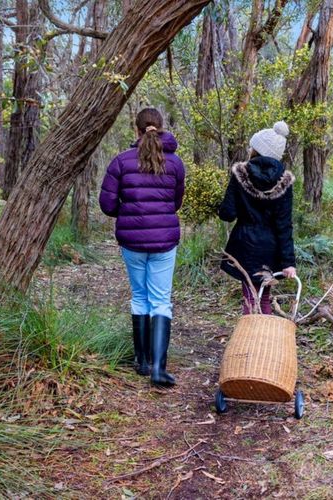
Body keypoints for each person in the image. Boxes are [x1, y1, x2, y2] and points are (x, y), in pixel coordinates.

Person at [99, 108, 185, 387]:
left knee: (140, 297)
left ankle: (142, 362)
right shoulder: (175, 163)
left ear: (136, 130)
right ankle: (159, 368)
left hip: (132, 241)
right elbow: (175, 202)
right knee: (161, 299)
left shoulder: (121, 162)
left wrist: (130, 213)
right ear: (161, 127)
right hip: (164, 241)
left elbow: (107, 205)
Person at [218, 121, 296, 314]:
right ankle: (264, 342)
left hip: (244, 245)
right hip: (271, 248)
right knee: (264, 298)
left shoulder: (240, 174)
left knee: (249, 298)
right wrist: (288, 262)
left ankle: (250, 341)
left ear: (257, 149)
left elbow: (228, 214)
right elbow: (284, 225)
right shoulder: (284, 182)